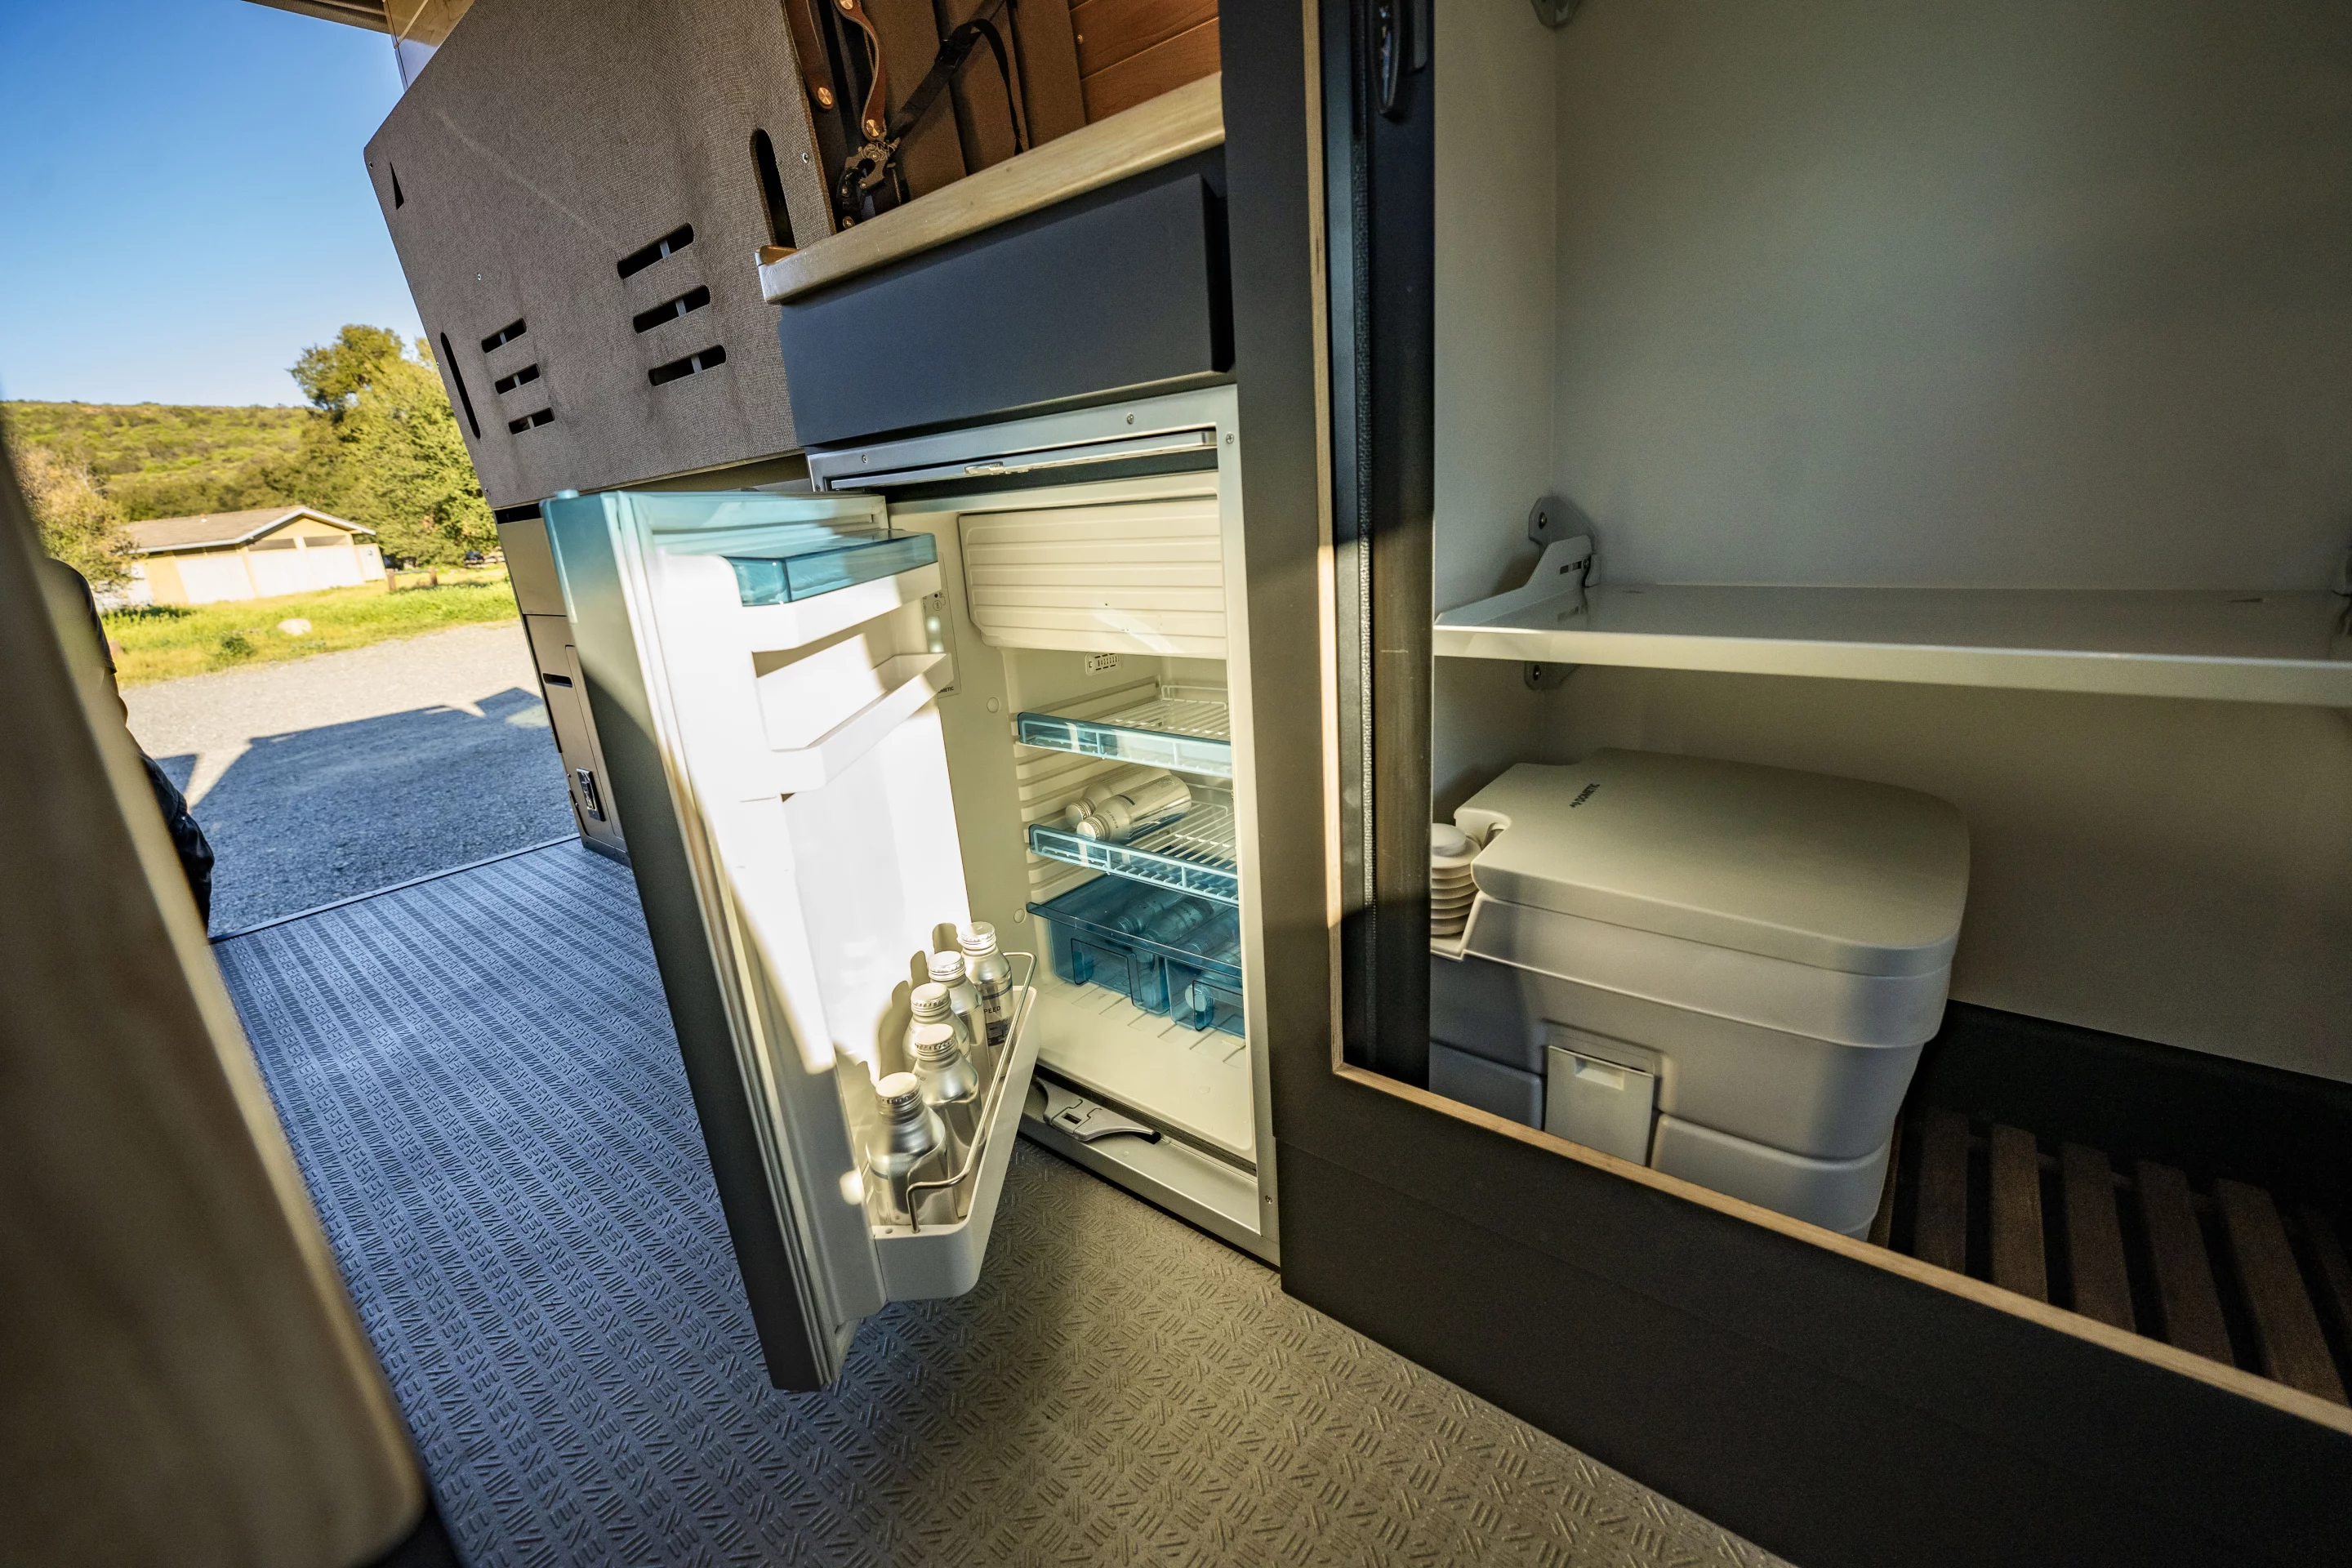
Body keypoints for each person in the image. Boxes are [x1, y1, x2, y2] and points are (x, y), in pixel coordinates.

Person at [41, 559, 215, 927]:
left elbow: (88, 677)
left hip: (100, 746)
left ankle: (190, 962)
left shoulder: (52, 580)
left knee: (184, 853)